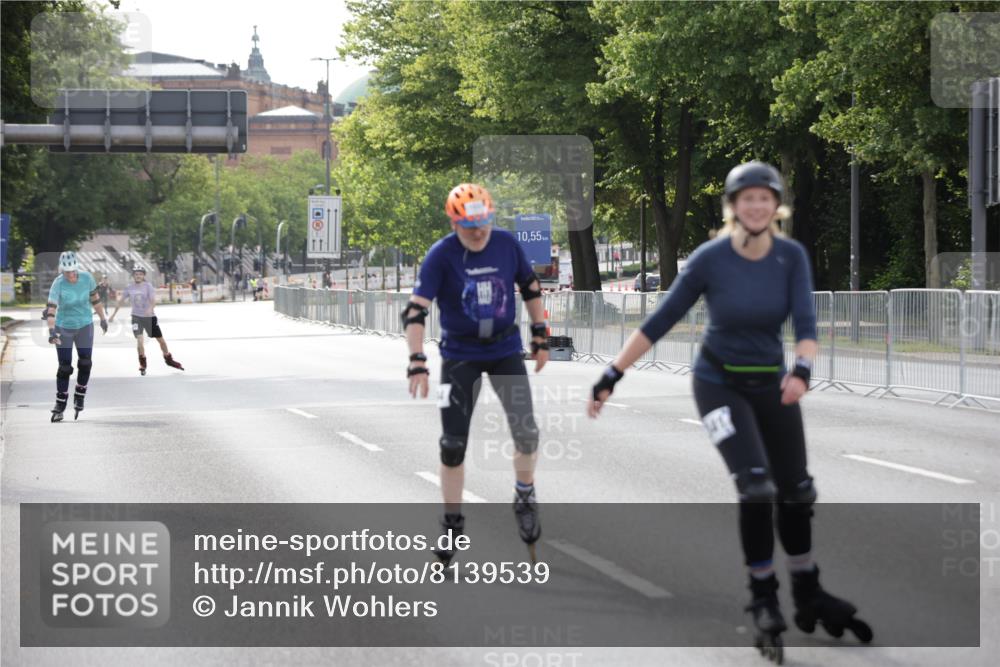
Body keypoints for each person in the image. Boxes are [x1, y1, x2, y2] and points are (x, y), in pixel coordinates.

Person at [587, 162, 871, 658]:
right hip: (717, 384)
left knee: (798, 491)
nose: (757, 206)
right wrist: (611, 375)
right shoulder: (710, 258)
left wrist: (801, 372)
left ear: (776, 205)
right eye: (747, 199)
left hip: (771, 385)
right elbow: (661, 320)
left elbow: (806, 326)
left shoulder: (790, 257)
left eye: (765, 198)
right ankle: (764, 596)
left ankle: (807, 588)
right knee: (757, 488)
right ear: (733, 206)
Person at [402, 183, 550, 564]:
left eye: (484, 222)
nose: (479, 232)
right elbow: (416, 310)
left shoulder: (505, 244)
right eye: (469, 226)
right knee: (452, 445)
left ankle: (524, 494)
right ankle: (452, 525)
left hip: (504, 351)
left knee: (527, 431)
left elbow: (530, 287)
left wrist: (539, 334)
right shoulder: (441, 255)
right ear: (454, 222)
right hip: (459, 357)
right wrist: (416, 360)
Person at [43, 251, 109, 421]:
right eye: (67, 272)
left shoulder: (87, 278)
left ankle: (79, 395)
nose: (71, 275)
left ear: (77, 268)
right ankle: (60, 405)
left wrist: (102, 318)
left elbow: (95, 300)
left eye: (73, 271)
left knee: (85, 363)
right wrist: (51, 331)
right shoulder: (58, 283)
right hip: (63, 327)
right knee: (64, 367)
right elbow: (51, 309)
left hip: (85, 326)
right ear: (62, 270)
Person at [109, 266, 184, 375]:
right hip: (136, 317)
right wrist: (113, 315)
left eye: (140, 274)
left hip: (150, 317)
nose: (138, 276)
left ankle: (168, 359)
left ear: (143, 276)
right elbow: (120, 302)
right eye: (136, 274)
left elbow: (153, 301)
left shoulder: (148, 286)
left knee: (161, 340)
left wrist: (150, 309)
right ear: (133, 276)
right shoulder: (129, 288)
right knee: (139, 340)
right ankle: (142, 363)